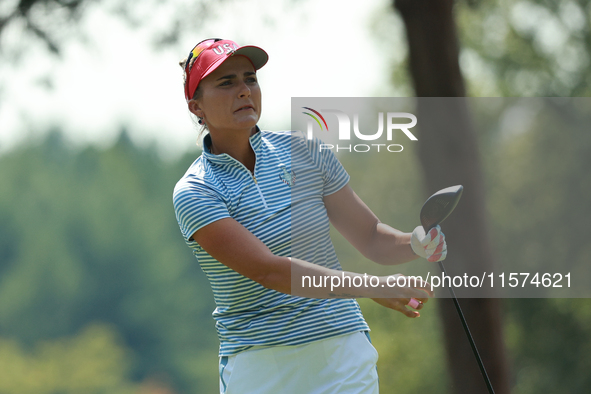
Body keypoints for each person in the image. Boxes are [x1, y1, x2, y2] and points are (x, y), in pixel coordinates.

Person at [173, 38, 447, 394]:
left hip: (341, 353)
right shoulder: (196, 191)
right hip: (261, 366)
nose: (244, 91)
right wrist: (374, 286)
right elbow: (268, 270)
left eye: (250, 79)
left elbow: (371, 237)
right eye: (227, 83)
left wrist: (415, 242)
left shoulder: (305, 150)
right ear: (197, 107)